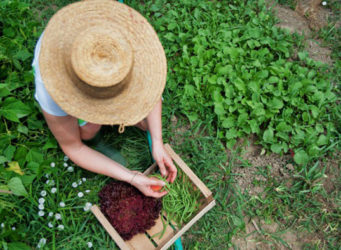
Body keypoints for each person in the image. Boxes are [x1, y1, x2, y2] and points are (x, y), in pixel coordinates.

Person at [32, 0, 177, 198]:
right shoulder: (51, 88)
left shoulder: (126, 43)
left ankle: (128, 118)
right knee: (87, 132)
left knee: (138, 114)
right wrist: (129, 176)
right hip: (69, 88)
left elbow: (150, 89)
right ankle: (101, 130)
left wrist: (158, 143)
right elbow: (73, 146)